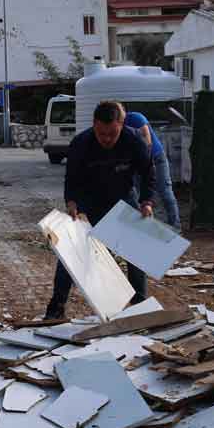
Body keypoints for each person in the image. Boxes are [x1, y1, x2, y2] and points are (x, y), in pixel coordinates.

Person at [44, 100, 156, 320]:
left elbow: (148, 173)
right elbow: (72, 178)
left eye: (112, 134)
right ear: (94, 124)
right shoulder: (80, 143)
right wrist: (72, 202)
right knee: (69, 253)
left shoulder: (135, 141)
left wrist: (147, 202)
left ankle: (140, 307)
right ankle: (55, 308)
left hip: (123, 199)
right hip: (89, 201)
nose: (106, 139)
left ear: (122, 125)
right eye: (102, 133)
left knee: (136, 252)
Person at [124, 111, 181, 229]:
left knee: (165, 192)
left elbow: (146, 139)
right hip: (136, 162)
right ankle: (149, 229)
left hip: (155, 157)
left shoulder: (135, 118)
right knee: (140, 196)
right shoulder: (115, 128)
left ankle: (175, 227)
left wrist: (144, 164)